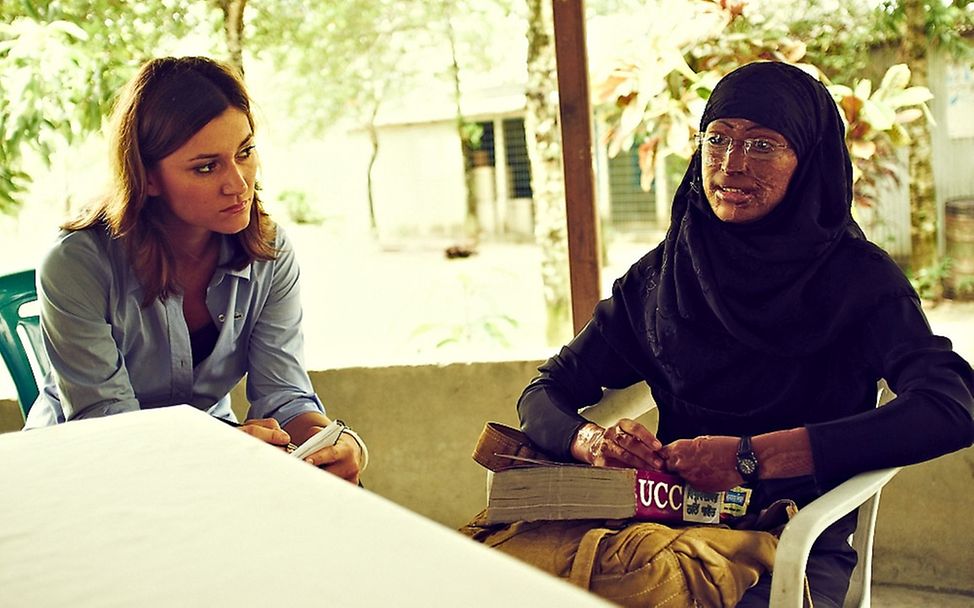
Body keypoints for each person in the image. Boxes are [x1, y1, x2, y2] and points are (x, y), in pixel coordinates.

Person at [517, 61, 974, 606]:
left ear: (808, 162)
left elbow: (953, 405)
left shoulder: (858, 280)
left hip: (791, 542)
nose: (731, 165)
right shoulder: (666, 276)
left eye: (762, 145)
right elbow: (545, 391)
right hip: (662, 524)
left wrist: (751, 457)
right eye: (718, 139)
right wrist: (594, 442)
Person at [23, 56, 366, 485]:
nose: (239, 184)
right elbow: (107, 426)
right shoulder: (77, 264)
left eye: (245, 152)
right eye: (206, 167)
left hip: (213, 461)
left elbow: (284, 394)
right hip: (79, 475)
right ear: (147, 178)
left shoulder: (269, 253)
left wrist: (331, 443)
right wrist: (223, 451)